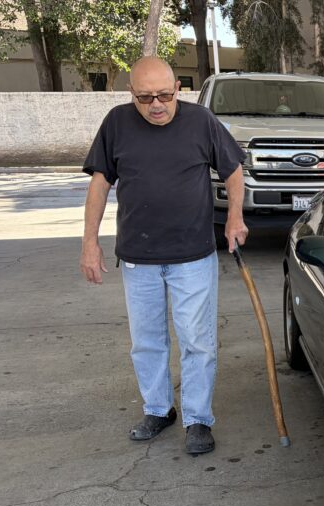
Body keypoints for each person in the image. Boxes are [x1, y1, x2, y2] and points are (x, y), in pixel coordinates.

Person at [79, 56, 248, 455]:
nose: (156, 104)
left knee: (197, 341)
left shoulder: (201, 121)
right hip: (138, 256)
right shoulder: (117, 123)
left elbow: (233, 170)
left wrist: (234, 217)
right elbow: (100, 185)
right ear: (131, 95)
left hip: (193, 254)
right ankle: (158, 410)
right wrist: (89, 242)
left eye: (165, 95)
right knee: (147, 341)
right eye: (145, 97)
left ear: (178, 90)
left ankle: (198, 419)